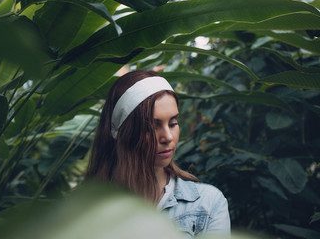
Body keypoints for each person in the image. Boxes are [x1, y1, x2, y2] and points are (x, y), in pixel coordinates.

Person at [86, 70, 230, 238]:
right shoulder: (87, 211)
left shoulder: (207, 204)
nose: (168, 137)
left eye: (173, 123)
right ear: (123, 132)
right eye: (152, 127)